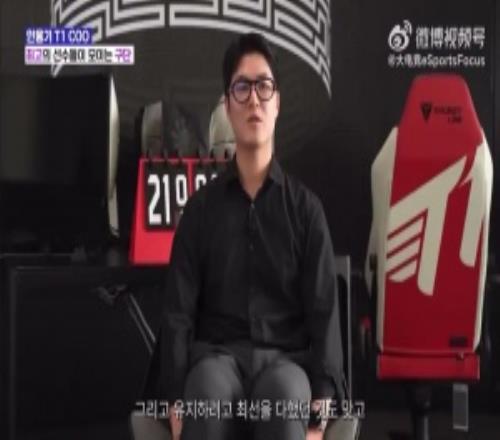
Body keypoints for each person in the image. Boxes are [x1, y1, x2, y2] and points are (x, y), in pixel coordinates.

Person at [158, 32, 344, 440]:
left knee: (284, 397)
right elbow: (178, 312)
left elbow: (323, 311)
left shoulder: (306, 210)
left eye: (264, 86)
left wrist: (323, 399)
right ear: (227, 104)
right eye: (242, 87)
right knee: (205, 392)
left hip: (286, 363)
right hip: (217, 361)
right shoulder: (200, 211)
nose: (254, 99)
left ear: (278, 103)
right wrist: (174, 395)